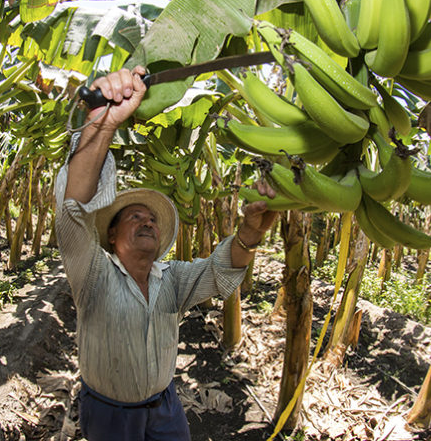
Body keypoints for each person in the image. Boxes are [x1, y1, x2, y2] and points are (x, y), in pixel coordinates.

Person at [54, 66, 278, 441]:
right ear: (110, 236)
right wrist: (103, 125)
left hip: (166, 408)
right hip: (110, 415)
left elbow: (220, 270)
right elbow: (72, 207)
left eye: (152, 219)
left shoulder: (171, 279)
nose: (147, 222)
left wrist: (251, 232)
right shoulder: (91, 273)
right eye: (134, 217)